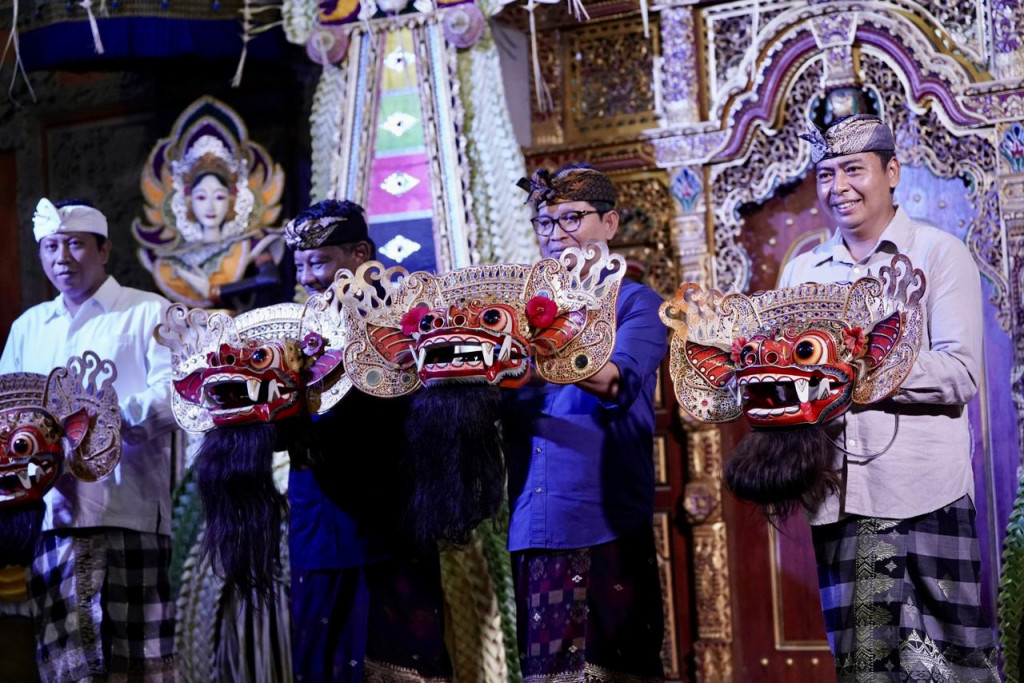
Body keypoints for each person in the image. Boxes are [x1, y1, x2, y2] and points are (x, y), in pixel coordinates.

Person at [781, 114, 999, 679]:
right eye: (826, 174)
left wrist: (854, 366)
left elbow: (958, 373)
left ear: (892, 171)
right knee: (866, 669)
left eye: (854, 169)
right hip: (840, 501)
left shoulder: (937, 253)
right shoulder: (804, 271)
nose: (838, 187)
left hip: (927, 493)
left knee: (953, 667)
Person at [0, 198, 178, 681]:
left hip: (129, 508)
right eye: (51, 247)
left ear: (104, 250)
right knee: (66, 665)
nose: (63, 258)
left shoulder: (148, 312)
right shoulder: (28, 326)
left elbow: (174, 395)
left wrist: (98, 422)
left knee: (137, 662)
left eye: (76, 245)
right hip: (53, 514)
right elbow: (8, 416)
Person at [504, 165, 667, 681]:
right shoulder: (514, 313)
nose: (556, 235)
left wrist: (539, 357)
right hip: (534, 521)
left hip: (606, 519)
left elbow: (620, 382)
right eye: (544, 223)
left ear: (611, 222)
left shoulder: (638, 303)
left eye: (571, 218)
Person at [284, 199, 453, 682]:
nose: (310, 278)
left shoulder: (409, 321)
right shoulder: (292, 332)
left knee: (403, 661)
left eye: (319, 262)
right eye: (300, 267)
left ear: (360, 253)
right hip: (319, 523)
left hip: (391, 521)